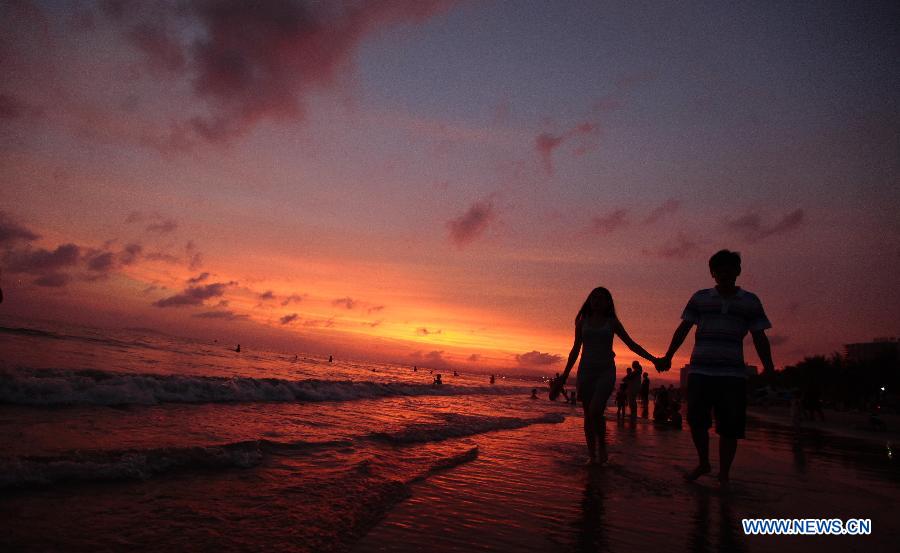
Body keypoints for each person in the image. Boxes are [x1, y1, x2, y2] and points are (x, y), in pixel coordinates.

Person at [657, 249, 775, 484]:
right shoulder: (700, 297)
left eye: (729, 268)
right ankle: (703, 462)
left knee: (730, 426)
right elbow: (683, 329)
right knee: (696, 421)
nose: (724, 272)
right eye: (719, 268)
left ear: (738, 271)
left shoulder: (750, 301)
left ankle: (724, 474)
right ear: (712, 272)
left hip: (733, 374)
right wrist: (668, 355)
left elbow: (759, 336)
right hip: (700, 370)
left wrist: (769, 367)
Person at [550, 287, 661, 465]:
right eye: (594, 297)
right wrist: (564, 374)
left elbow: (631, 344)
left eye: (602, 298)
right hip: (585, 371)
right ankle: (592, 455)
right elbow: (575, 350)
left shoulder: (612, 322)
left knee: (595, 410)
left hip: (605, 371)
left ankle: (602, 445)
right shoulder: (582, 322)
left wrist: (654, 359)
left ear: (608, 302)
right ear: (589, 301)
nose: (597, 301)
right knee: (589, 414)